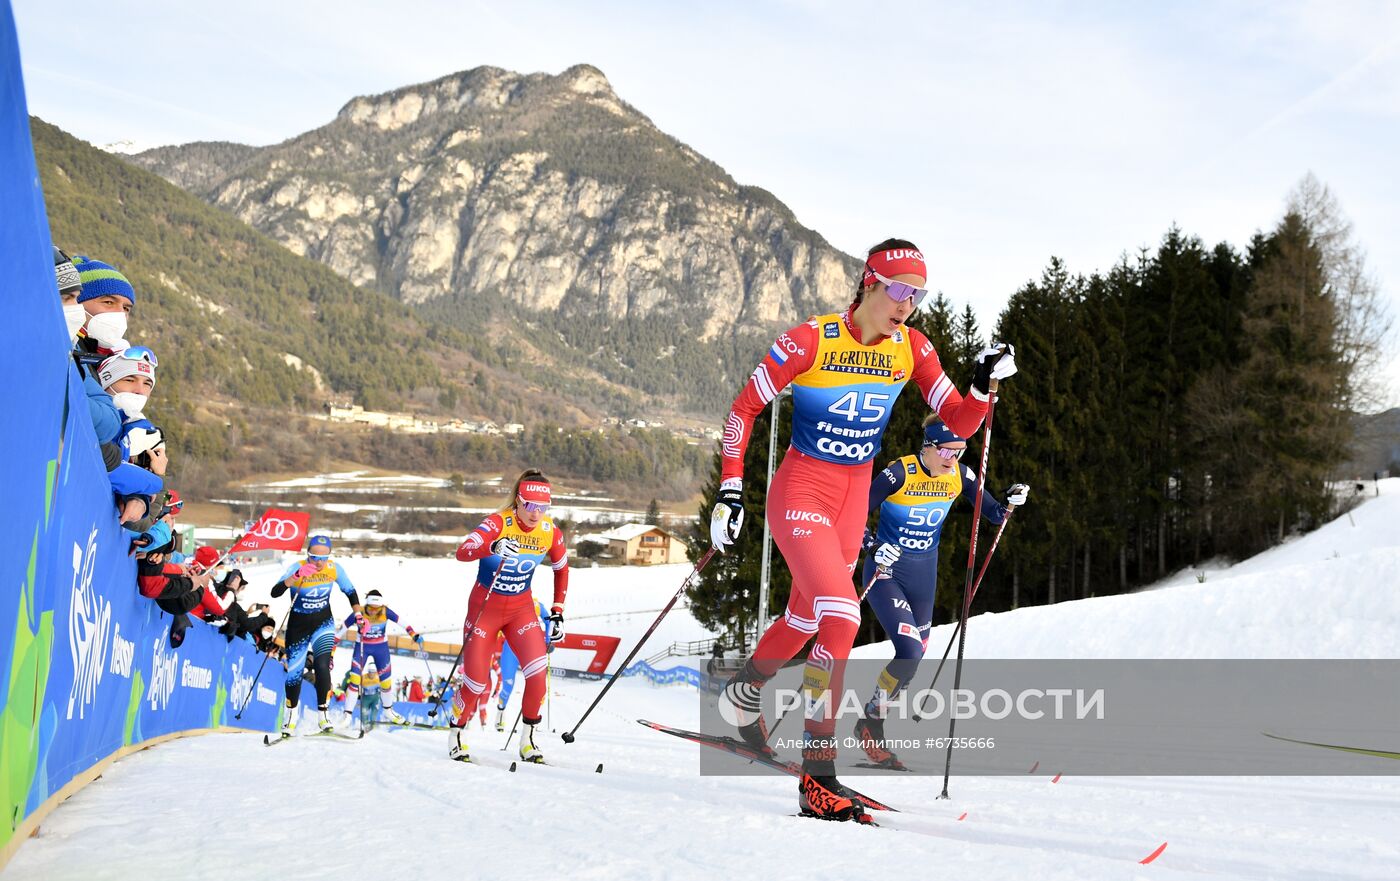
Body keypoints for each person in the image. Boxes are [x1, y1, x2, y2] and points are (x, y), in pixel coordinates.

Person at [709, 238, 1018, 821]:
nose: (907, 305)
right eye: (899, 291)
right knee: (844, 615)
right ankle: (817, 774)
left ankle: (745, 690)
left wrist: (980, 385)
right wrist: (730, 487)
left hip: (851, 502)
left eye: (918, 295)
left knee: (805, 619)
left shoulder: (912, 349)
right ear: (869, 283)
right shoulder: (811, 339)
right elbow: (743, 409)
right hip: (801, 490)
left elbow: (957, 423)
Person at [853, 416, 1029, 769]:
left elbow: (993, 513)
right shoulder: (898, 474)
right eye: (947, 450)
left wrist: (1011, 501)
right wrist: (871, 546)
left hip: (923, 575)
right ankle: (871, 725)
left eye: (959, 450)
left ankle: (870, 719)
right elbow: (853, 514)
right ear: (928, 448)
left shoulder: (960, 476)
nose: (953, 457)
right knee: (909, 649)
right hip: (887, 570)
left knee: (912, 663)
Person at [449, 469, 569, 763]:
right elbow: (462, 552)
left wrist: (557, 612)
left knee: (538, 673)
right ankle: (458, 733)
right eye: (529, 506)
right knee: (476, 682)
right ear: (518, 501)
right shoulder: (497, 523)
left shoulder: (549, 531)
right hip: (485, 609)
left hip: (520, 609)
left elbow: (562, 569)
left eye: (543, 508)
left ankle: (528, 740)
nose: (535, 513)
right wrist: (492, 546)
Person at [270, 534, 362, 736]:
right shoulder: (297, 567)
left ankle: (323, 715)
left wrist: (357, 611)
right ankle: (291, 715)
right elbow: (274, 592)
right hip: (298, 626)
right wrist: (294, 578)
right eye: (314, 557)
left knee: (322, 665)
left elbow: (350, 591)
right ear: (307, 555)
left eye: (323, 558)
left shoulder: (334, 569)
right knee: (295, 672)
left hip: (323, 623)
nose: (319, 563)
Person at [338, 589, 424, 727]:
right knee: (354, 680)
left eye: (376, 608)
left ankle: (388, 711)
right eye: (371, 608)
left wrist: (414, 634)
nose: (373, 611)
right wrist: (333, 648)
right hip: (362, 648)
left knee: (385, 683)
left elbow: (403, 623)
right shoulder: (359, 612)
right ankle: (347, 715)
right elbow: (341, 629)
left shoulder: (385, 611)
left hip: (381, 649)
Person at [492, 599, 553, 730]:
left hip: (531, 648)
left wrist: (549, 641)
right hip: (511, 650)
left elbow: (549, 621)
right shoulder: (510, 601)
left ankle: (532, 721)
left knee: (536, 685)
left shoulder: (536, 604)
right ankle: (500, 712)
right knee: (508, 685)